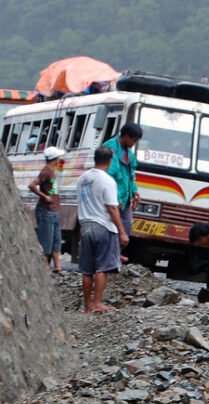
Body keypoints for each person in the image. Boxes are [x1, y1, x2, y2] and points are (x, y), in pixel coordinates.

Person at [76, 145, 130, 313]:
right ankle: (97, 303)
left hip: (85, 226)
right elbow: (112, 208)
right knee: (102, 268)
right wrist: (122, 231)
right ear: (110, 161)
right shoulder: (108, 181)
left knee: (87, 270)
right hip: (103, 226)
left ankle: (87, 306)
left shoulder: (82, 179)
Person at [102, 122, 143, 261]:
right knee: (111, 225)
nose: (134, 143)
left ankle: (115, 252)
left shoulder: (129, 154)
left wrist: (134, 192)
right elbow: (110, 176)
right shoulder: (110, 149)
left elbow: (131, 175)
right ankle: (109, 254)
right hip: (112, 197)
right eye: (134, 140)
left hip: (125, 198)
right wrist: (116, 197)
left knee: (126, 225)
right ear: (126, 136)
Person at [28, 146, 64, 276]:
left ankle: (57, 266)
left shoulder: (52, 171)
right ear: (55, 158)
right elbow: (32, 185)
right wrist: (44, 196)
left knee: (56, 238)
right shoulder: (46, 172)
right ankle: (45, 266)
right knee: (46, 238)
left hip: (54, 209)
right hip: (46, 210)